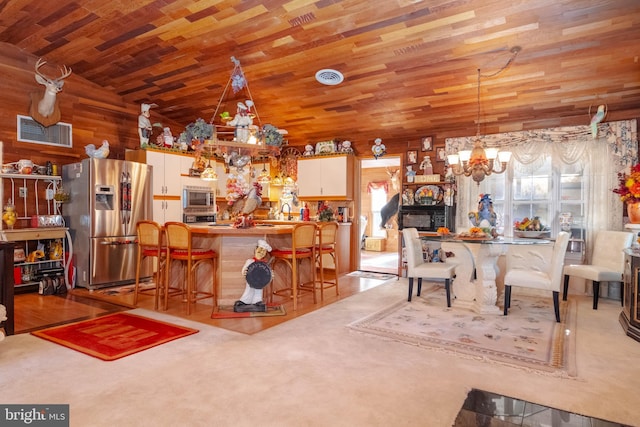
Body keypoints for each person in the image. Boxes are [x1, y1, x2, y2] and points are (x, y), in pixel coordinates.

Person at [233, 239, 272, 312]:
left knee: (258, 290)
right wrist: (244, 272)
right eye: (260, 250)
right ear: (256, 249)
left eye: (263, 251)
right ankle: (245, 301)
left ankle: (257, 301)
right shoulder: (250, 261)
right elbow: (244, 269)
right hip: (250, 280)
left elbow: (268, 273)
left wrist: (270, 276)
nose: (261, 253)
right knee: (248, 290)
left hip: (259, 281)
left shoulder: (264, 264)